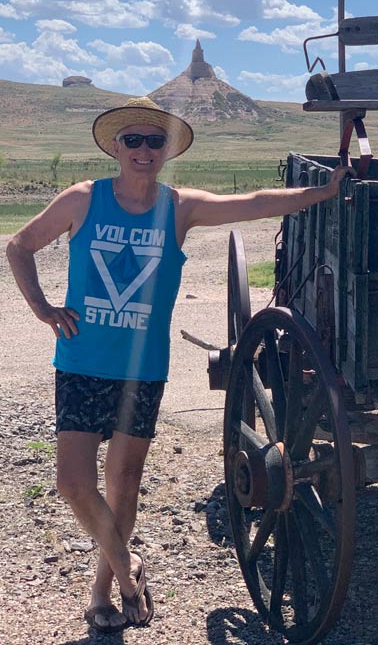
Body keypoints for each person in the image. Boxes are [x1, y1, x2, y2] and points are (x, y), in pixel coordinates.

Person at [6, 96, 351, 634]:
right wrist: (42, 308)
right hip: (81, 361)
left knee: (123, 481)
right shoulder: (82, 200)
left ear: (166, 151)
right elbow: (19, 245)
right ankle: (129, 568)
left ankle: (103, 591)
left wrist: (322, 190)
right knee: (73, 483)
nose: (144, 150)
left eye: (155, 141)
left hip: (142, 370)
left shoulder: (179, 207)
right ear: (116, 148)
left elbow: (256, 201)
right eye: (134, 141)